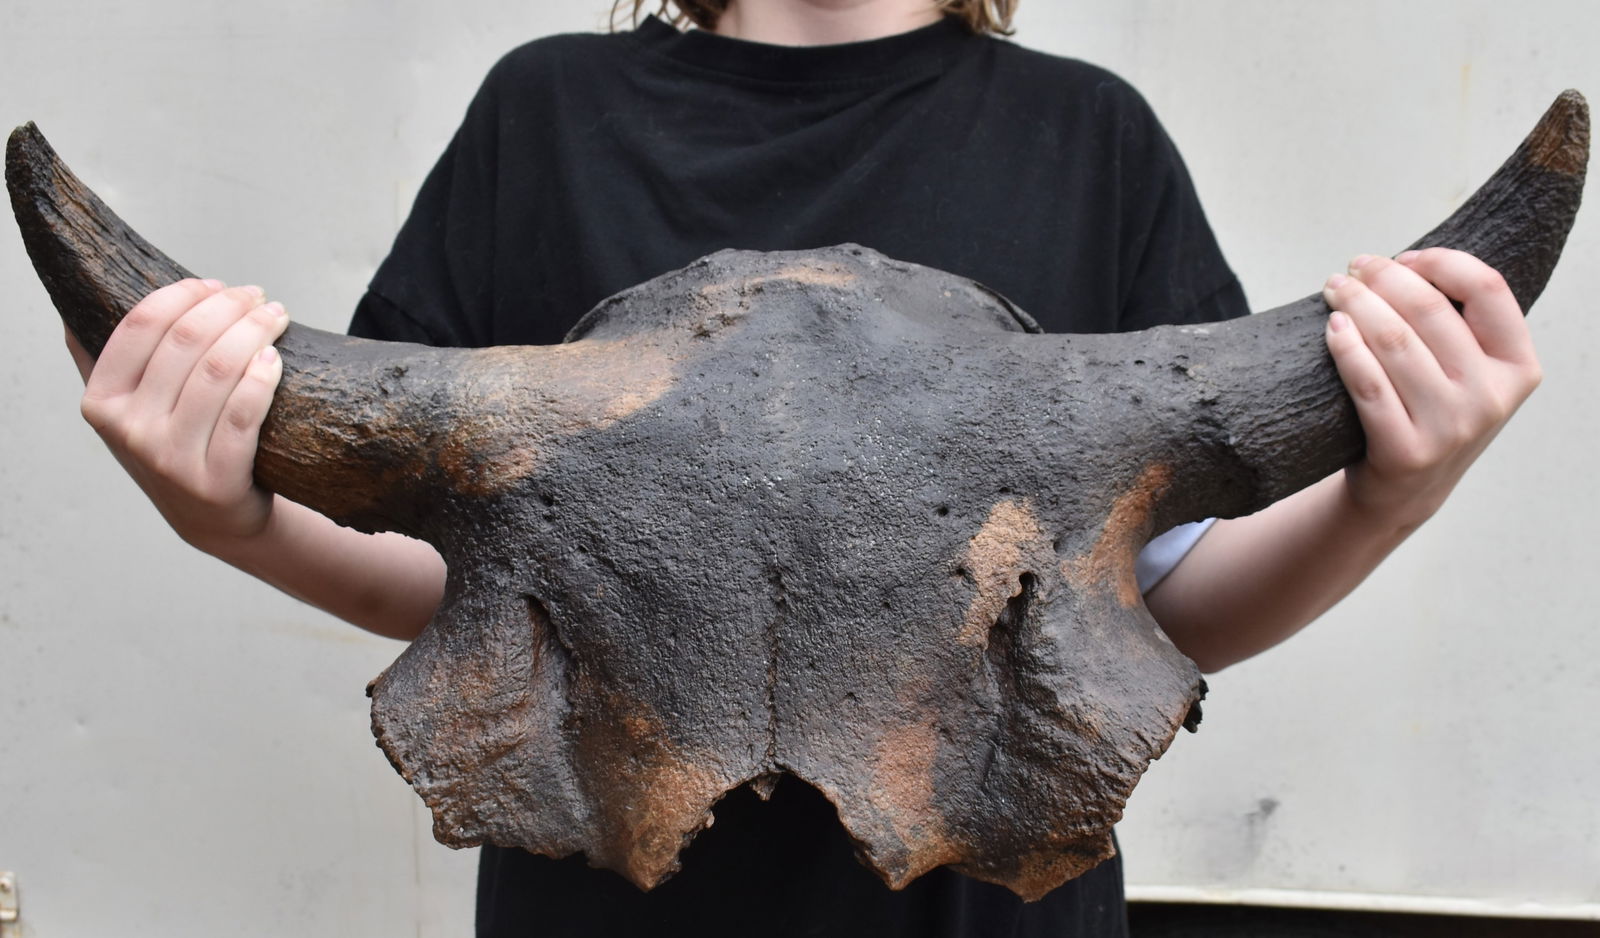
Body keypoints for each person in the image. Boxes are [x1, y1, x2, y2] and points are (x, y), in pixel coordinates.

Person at [63, 0, 1543, 935]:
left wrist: (1391, 494)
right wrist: (234, 520)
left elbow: (1161, 605)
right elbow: (462, 579)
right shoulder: (545, 113)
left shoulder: (1092, 137)